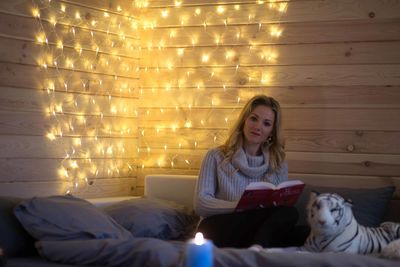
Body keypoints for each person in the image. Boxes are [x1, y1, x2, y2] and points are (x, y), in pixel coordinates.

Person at [194, 94, 309, 248]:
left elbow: (279, 209)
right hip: (221, 226)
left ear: (272, 132)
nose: (258, 127)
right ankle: (262, 243)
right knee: (208, 228)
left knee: (291, 214)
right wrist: (241, 206)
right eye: (253, 119)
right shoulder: (216, 156)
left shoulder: (278, 163)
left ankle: (257, 245)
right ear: (244, 121)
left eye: (266, 123)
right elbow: (201, 204)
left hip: (256, 228)